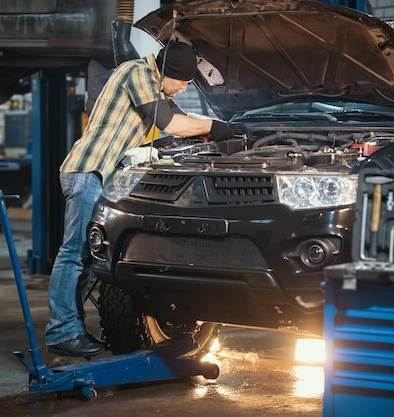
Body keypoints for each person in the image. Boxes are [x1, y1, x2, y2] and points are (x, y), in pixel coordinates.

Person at [45, 41, 245, 357]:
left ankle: (72, 330)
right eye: (181, 81)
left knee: (86, 256)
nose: (182, 88)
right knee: (75, 253)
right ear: (167, 71)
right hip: (88, 170)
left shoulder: (156, 89)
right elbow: (172, 123)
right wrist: (218, 126)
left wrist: (226, 129)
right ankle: (62, 332)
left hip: (99, 175)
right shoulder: (135, 72)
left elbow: (181, 122)